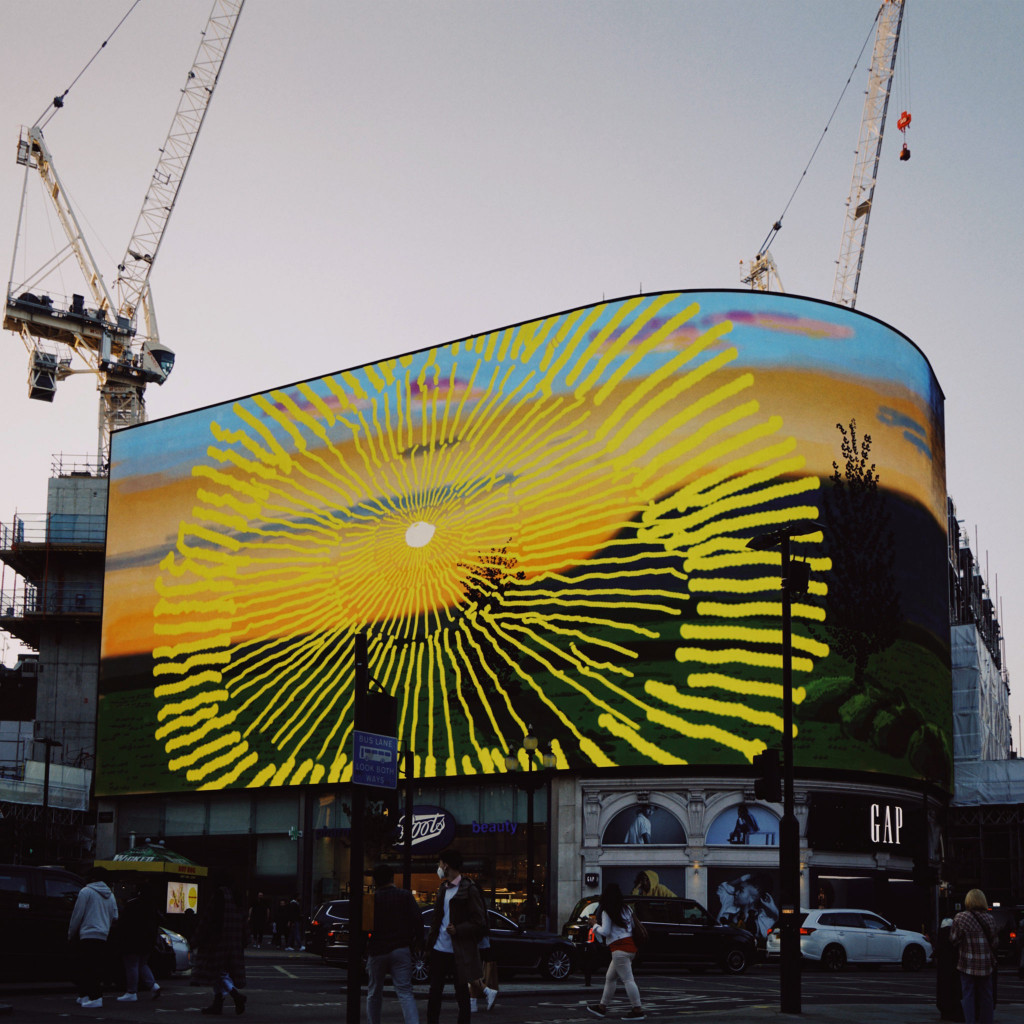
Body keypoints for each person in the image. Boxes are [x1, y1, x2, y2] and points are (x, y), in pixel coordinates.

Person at [426, 848, 487, 1024]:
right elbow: (437, 919)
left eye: (440, 863)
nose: (438, 867)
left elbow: (479, 921)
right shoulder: (443, 889)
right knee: (434, 992)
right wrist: (430, 944)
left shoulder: (469, 888)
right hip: (439, 948)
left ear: (446, 865)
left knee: (461, 993)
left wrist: (458, 929)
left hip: (459, 951)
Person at [366, 864, 422, 1024]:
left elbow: (364, 929)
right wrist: (417, 942)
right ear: (392, 878)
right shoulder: (405, 896)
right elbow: (417, 920)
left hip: (377, 949)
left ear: (375, 881)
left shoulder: (371, 899)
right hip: (400, 947)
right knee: (405, 991)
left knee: (374, 991)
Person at [587, 882, 644, 1020]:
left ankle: (637, 1010)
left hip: (619, 950)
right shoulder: (627, 909)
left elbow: (605, 931)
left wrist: (594, 925)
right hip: (630, 949)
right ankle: (602, 1007)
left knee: (628, 980)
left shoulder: (608, 911)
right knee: (610, 977)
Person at [69, 865, 119, 1009]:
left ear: (92, 878)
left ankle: (94, 997)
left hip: (87, 933)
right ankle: (86, 995)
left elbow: (77, 915)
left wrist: (71, 933)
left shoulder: (86, 892)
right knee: (95, 967)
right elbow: (115, 915)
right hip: (103, 935)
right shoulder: (111, 895)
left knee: (85, 967)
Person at [193, 885, 248, 1016]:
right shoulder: (236, 895)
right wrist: (245, 939)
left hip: (218, 940)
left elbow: (208, 919)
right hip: (234, 940)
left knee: (218, 972)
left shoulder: (219, 895)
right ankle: (218, 1004)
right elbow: (244, 919)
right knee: (220, 973)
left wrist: (196, 938)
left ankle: (235, 995)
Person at [949, 888, 998, 1024]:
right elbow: (995, 942)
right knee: (986, 995)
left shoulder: (961, 917)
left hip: (967, 962)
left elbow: (953, 939)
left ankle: (970, 1021)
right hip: (985, 963)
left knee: (968, 995)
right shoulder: (990, 918)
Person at [116, 883, 162, 1002]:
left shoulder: (132, 904)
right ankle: (153, 986)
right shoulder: (152, 906)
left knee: (131, 965)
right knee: (142, 963)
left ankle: (132, 991)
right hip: (148, 940)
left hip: (132, 939)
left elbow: (123, 922)